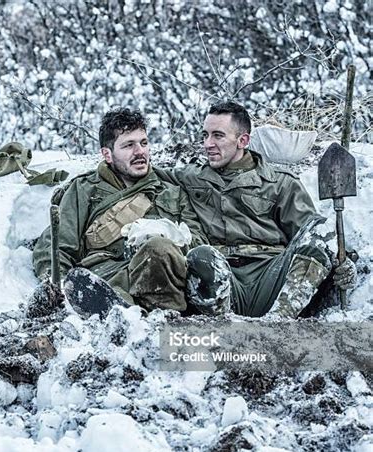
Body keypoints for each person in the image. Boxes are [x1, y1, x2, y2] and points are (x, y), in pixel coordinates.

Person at [157, 101, 357, 318]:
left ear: (243, 140)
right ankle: (224, 326)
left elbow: (313, 237)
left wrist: (345, 263)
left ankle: (278, 323)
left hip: (271, 280)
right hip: (222, 282)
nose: (207, 143)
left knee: (320, 227)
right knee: (200, 256)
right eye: (205, 135)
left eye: (218, 135)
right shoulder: (190, 177)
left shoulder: (280, 183)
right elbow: (144, 173)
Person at [32, 108, 208, 316]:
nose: (140, 152)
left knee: (158, 247)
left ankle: (153, 318)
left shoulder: (171, 192)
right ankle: (125, 315)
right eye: (128, 145)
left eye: (143, 143)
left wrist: (170, 235)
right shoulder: (84, 190)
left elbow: (199, 244)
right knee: (107, 294)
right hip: (108, 277)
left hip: (164, 277)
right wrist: (57, 285)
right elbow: (57, 246)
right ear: (107, 154)